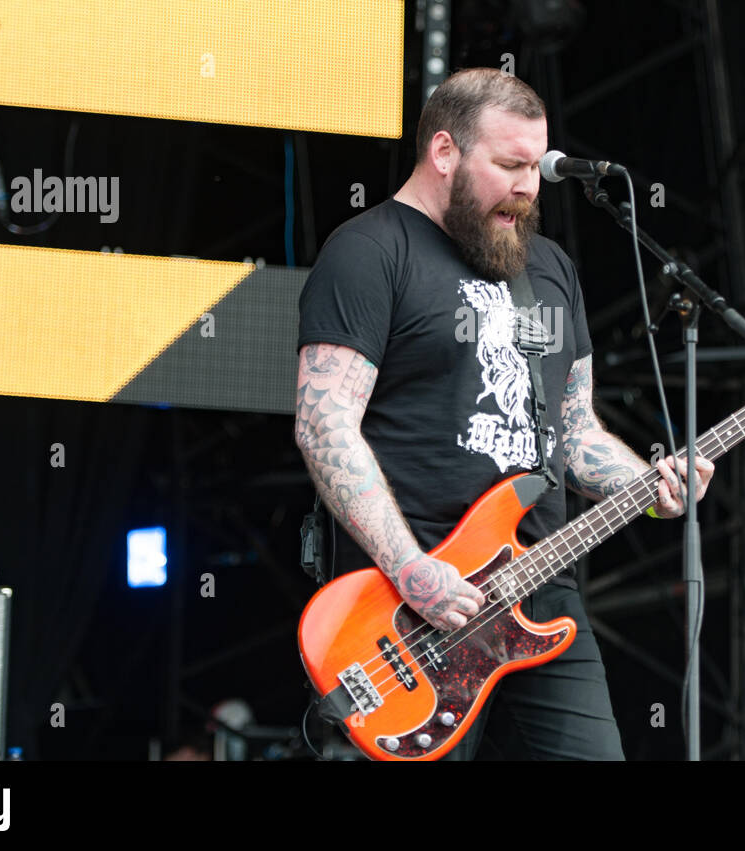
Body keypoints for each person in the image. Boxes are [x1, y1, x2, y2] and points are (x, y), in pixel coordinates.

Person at [294, 67, 713, 760]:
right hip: (409, 606)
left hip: (541, 592)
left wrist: (651, 489)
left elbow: (575, 434)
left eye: (537, 166)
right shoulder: (369, 252)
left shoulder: (549, 269)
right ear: (444, 153)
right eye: (509, 164)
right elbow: (324, 421)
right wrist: (411, 569)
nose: (528, 185)